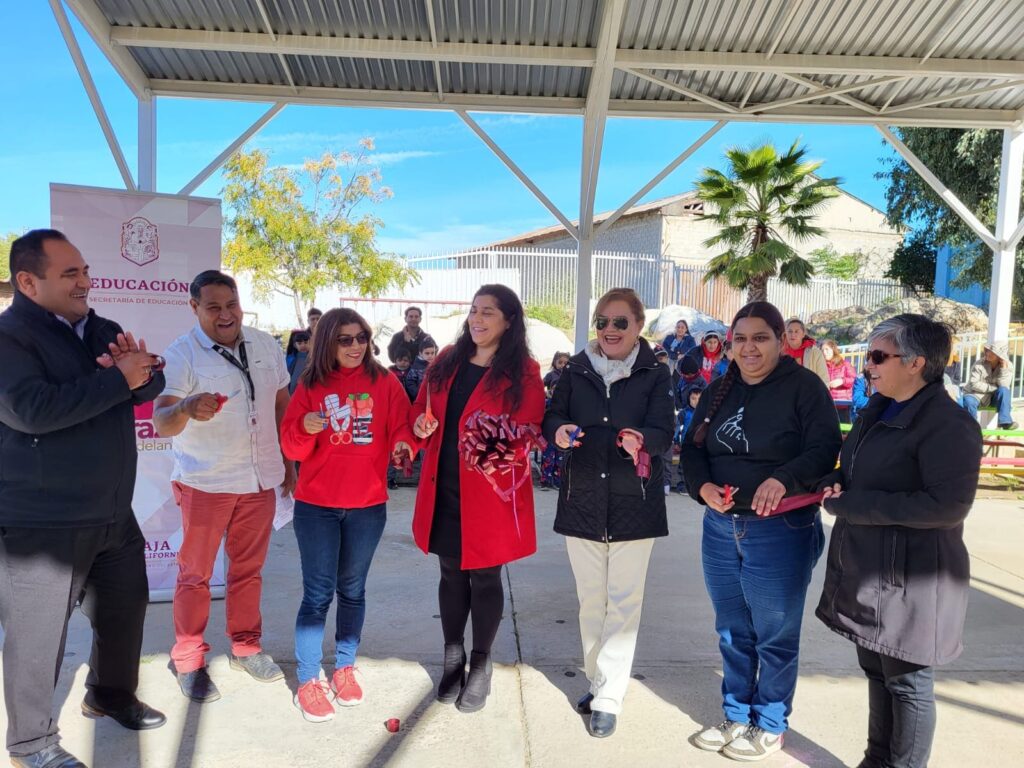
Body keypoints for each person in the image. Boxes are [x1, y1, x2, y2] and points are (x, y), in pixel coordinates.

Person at [0, 229, 167, 768]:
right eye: (70, 273)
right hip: (43, 523)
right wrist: (119, 380)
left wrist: (143, 375)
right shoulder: (8, 339)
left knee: (125, 615)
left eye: (85, 270)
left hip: (114, 512)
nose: (85, 281)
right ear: (28, 281)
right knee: (37, 639)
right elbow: (30, 410)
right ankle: (32, 742)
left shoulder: (103, 329)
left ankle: (110, 695)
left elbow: (139, 389)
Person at [816, 314, 982, 768]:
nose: (867, 366)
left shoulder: (948, 424)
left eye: (877, 356)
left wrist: (854, 504)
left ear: (915, 363)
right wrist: (837, 483)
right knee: (876, 670)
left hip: (914, 578)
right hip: (872, 572)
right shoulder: (879, 409)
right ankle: (877, 759)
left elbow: (947, 506)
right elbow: (860, 473)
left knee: (907, 684)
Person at [680, 301, 841, 762]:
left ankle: (770, 722)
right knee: (732, 630)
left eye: (760, 338)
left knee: (774, 633)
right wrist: (703, 487)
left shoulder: (804, 387)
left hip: (781, 529)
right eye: (741, 339)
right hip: (720, 527)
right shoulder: (717, 390)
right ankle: (735, 713)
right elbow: (692, 452)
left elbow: (825, 447)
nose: (748, 348)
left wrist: (784, 477)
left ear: (779, 340)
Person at [154, 270, 296, 704]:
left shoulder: (265, 344)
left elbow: (280, 402)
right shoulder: (182, 354)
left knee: (247, 571)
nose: (226, 314)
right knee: (195, 575)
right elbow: (162, 419)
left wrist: (289, 463)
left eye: (231, 304)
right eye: (213, 307)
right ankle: (189, 657)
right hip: (206, 483)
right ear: (193, 307)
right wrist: (185, 408)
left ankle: (246, 646)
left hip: (259, 479)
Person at [543, 287, 675, 739]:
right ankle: (600, 681)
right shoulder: (576, 369)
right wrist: (557, 431)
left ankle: (610, 696)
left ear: (638, 326)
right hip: (580, 499)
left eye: (620, 322)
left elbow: (665, 430)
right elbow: (551, 416)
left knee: (623, 603)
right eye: (602, 321)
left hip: (633, 503)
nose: (610, 330)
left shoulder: (655, 375)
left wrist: (644, 439)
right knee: (590, 602)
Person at [410, 285, 545, 713]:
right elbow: (421, 409)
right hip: (443, 484)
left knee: (485, 577)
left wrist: (490, 446)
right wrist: (420, 427)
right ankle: (454, 658)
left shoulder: (523, 369)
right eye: (473, 310)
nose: (477, 319)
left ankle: (482, 663)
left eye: (488, 312)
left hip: (488, 492)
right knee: (450, 573)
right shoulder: (448, 357)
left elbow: (529, 426)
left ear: (508, 320)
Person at [279, 308, 415, 722]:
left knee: (353, 591)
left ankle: (344, 668)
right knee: (318, 595)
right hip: (317, 507)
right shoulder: (310, 385)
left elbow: (402, 426)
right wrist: (305, 424)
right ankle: (308, 680)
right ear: (327, 343)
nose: (356, 346)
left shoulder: (384, 381)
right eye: (345, 339)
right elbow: (292, 448)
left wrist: (405, 445)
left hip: (367, 507)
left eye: (361, 337)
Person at [962, 341, 1017, 428]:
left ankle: (1005, 422)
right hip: (975, 395)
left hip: (994, 398)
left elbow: (1004, 386)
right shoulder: (978, 364)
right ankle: (972, 428)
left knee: (1004, 391)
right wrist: (993, 388)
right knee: (968, 400)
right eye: (987, 350)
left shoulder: (1008, 366)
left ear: (1000, 356)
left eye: (992, 352)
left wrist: (1003, 369)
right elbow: (974, 384)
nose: (987, 353)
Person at [674, 379, 706, 493]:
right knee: (683, 465)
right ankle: (682, 484)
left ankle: (696, 486)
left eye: (699, 399)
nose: (696, 401)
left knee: (697, 465)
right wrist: (676, 442)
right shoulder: (683, 413)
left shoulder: (705, 413)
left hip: (700, 443)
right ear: (688, 399)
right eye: (693, 398)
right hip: (685, 443)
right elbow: (678, 428)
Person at [781, 318, 829, 386]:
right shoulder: (779, 353)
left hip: (809, 393)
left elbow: (824, 379)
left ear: (803, 334)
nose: (793, 334)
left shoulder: (815, 353)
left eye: (796, 331)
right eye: (790, 331)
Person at [403, 336, 437, 402]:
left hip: (434, 398)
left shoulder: (436, 365)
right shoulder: (415, 368)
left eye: (432, 353)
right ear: (420, 353)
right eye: (427, 353)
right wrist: (418, 394)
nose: (430, 355)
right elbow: (410, 382)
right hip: (420, 400)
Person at [286, 330, 311, 395]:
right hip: (293, 392)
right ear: (295, 345)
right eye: (299, 343)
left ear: (310, 342)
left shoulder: (314, 358)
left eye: (305, 342)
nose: (303, 345)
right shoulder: (290, 359)